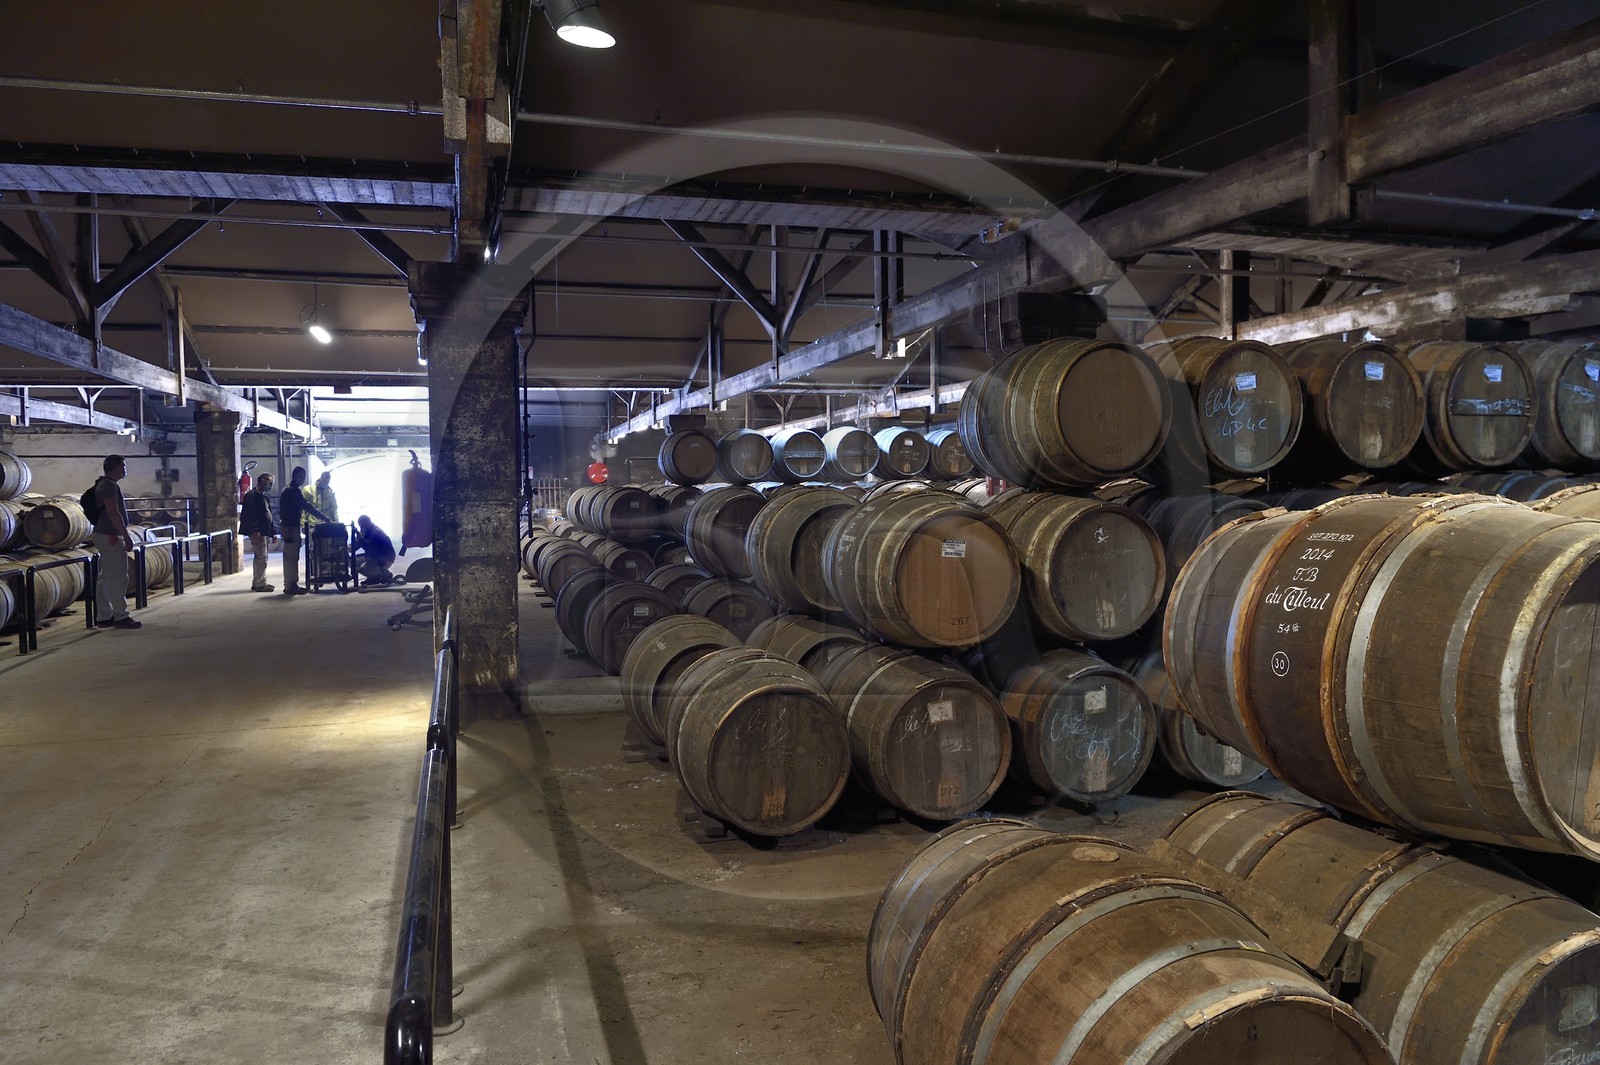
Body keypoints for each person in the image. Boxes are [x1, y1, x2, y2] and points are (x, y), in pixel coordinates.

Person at [89, 454, 142, 630]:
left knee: (106, 577)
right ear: (117, 468)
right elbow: (113, 512)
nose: (125, 470)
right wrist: (125, 535)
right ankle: (121, 616)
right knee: (119, 577)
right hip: (110, 535)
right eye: (124, 466)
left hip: (104, 534)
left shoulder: (103, 484)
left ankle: (104, 616)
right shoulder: (109, 486)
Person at [279, 466, 330, 597]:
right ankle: (290, 586)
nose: (301, 480)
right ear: (293, 476)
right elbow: (305, 506)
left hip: (290, 526)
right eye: (300, 477)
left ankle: (291, 584)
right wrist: (323, 517)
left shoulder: (290, 489)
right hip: (290, 527)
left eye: (303, 477)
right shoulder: (292, 491)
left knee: (292, 557)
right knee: (291, 558)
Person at [238, 472, 278, 592]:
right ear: (262, 481)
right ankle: (260, 583)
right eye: (269, 483)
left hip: (264, 531)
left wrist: (272, 532)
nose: (270, 485)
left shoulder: (264, 496)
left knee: (262, 557)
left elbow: (268, 514)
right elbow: (250, 516)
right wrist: (255, 531)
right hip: (258, 532)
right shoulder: (251, 496)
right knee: (261, 557)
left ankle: (259, 581)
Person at [352, 515, 398, 585]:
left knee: (363, 569)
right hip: (373, 556)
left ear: (367, 523)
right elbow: (359, 544)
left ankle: (385, 575)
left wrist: (359, 537)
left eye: (362, 526)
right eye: (360, 526)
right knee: (352, 561)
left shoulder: (376, 533)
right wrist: (348, 548)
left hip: (385, 558)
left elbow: (367, 546)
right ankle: (373, 578)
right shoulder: (367, 530)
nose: (361, 528)